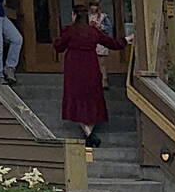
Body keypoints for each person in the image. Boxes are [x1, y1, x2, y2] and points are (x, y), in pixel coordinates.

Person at [54, 7, 127, 146]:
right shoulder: (93, 31)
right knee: (92, 96)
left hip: (74, 69)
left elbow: (59, 46)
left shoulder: (70, 31)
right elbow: (112, 43)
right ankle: (90, 133)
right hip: (91, 67)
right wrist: (126, 40)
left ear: (74, 15)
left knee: (76, 97)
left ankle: (89, 134)